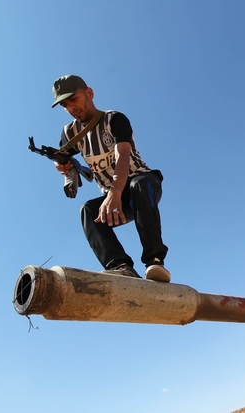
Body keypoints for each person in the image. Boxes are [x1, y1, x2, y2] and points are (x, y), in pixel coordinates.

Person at [51, 74, 170, 282]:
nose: (71, 108)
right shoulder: (70, 133)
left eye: (73, 99)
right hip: (115, 200)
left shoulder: (114, 119)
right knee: (88, 211)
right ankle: (120, 265)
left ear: (89, 93)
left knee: (139, 184)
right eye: (65, 105)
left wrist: (114, 192)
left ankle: (155, 261)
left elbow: (123, 154)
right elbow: (63, 158)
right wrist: (62, 166)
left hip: (144, 187)